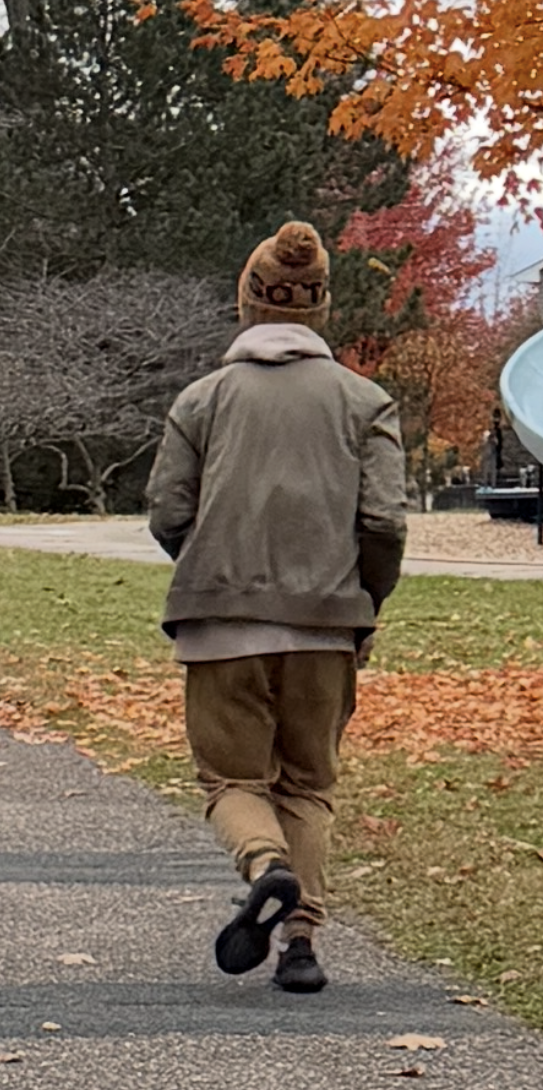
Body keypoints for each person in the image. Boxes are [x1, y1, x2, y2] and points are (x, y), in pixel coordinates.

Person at [145, 221, 406, 993]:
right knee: (309, 784)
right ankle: (300, 944)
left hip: (219, 626)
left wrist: (209, 568)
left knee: (232, 781)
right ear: (320, 308)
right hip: (327, 625)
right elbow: (385, 521)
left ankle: (264, 865)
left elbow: (167, 510)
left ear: (248, 302)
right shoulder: (366, 401)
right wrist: (365, 598)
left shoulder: (202, 400)